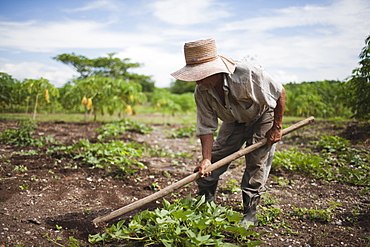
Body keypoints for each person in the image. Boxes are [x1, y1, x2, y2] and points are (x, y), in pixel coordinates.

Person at [171, 38, 286, 226]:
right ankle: (206, 203)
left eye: (201, 74)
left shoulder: (247, 73)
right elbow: (206, 126)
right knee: (213, 161)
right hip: (233, 121)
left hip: (262, 116)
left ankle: (250, 213)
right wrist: (205, 158)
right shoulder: (202, 91)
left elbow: (279, 93)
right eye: (195, 76)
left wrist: (276, 127)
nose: (198, 80)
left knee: (256, 162)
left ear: (216, 69)